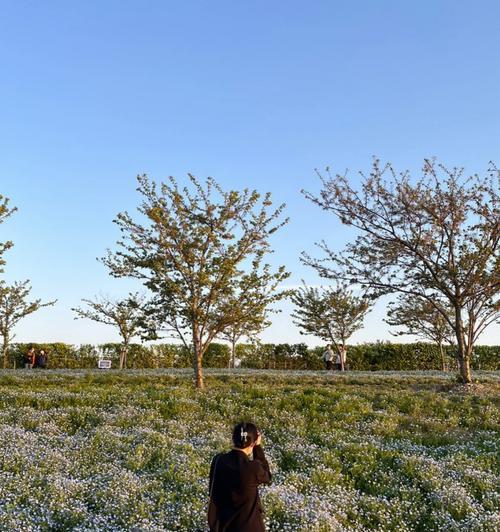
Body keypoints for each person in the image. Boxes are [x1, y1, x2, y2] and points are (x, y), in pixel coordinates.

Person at [208, 422, 271, 532]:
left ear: (233, 439)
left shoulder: (218, 460)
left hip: (224, 526)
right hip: (250, 527)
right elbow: (267, 475)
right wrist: (258, 448)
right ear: (253, 443)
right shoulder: (253, 468)